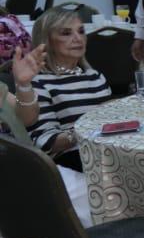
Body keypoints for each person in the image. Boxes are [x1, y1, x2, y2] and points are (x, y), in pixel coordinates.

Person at [11, 10, 112, 172]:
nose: (78, 39)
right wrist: (87, 129)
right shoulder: (40, 82)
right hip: (68, 163)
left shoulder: (95, 76)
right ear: (47, 41)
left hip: (103, 151)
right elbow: (44, 142)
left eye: (81, 31)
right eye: (66, 33)